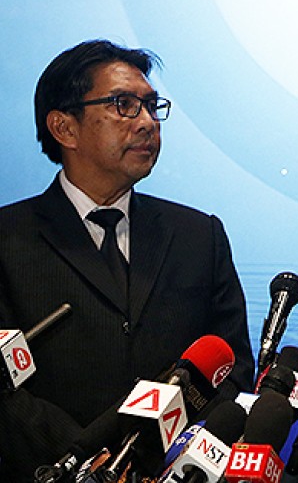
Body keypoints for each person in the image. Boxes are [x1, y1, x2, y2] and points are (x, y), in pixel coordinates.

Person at [0, 40, 254, 480]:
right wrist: (86, 461)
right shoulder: (7, 240)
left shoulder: (199, 236)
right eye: (124, 105)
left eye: (153, 107)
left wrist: (171, 460)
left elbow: (233, 367)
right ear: (64, 128)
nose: (147, 123)